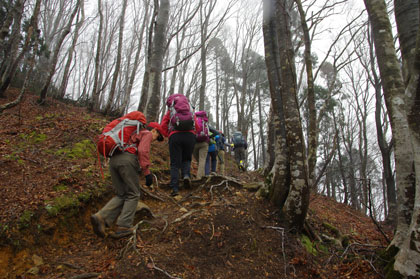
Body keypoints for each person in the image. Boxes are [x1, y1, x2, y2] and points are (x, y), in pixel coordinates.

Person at [91, 121, 164, 239]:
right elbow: (142, 151)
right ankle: (124, 226)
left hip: (114, 160)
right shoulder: (147, 134)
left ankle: (101, 217)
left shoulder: (132, 134)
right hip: (127, 161)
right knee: (134, 194)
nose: (156, 139)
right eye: (158, 136)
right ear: (154, 130)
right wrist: (147, 172)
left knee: (122, 194)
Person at [160, 94, 198, 196]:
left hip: (175, 136)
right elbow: (196, 125)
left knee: (175, 164)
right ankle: (186, 175)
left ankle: (175, 188)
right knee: (186, 159)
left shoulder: (171, 110)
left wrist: (167, 135)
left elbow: (163, 125)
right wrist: (193, 134)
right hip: (190, 136)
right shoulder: (190, 110)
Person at [192, 111, 210, 180]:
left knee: (199, 161)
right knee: (202, 160)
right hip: (204, 143)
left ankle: (201, 176)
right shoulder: (205, 122)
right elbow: (214, 132)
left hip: (195, 142)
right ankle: (199, 178)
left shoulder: (194, 120)